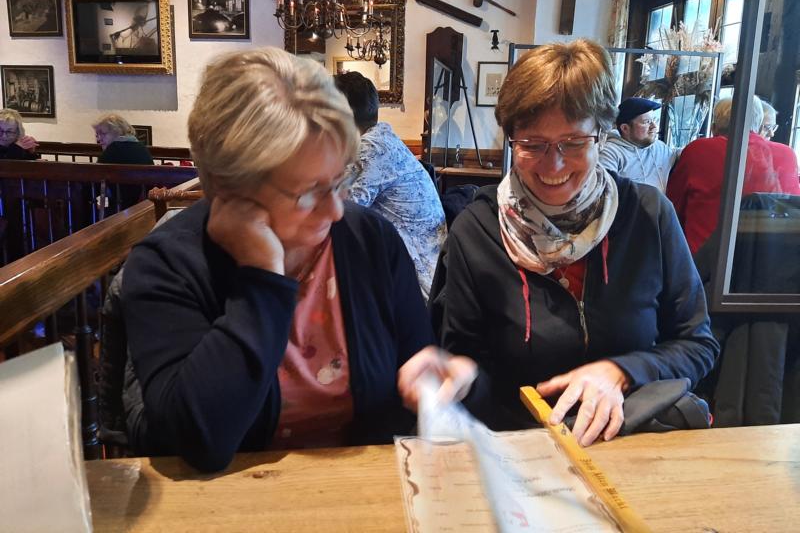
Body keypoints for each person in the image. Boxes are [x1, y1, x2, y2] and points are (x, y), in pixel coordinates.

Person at [120, 48, 471, 472]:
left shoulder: (370, 241)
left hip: (363, 490)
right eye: (309, 193)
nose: (336, 211)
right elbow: (198, 440)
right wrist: (263, 279)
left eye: (339, 180)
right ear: (229, 190)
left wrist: (438, 381)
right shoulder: (167, 265)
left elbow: (415, 377)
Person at [429, 40, 719, 446]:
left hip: (631, 443)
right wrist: (458, 377)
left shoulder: (648, 215)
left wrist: (621, 372)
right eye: (532, 144)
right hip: (519, 450)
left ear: (601, 135)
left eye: (574, 142)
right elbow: (464, 366)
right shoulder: (477, 229)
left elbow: (698, 344)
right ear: (512, 139)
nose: (554, 164)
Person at [333, 71, 446, 300]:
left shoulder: (371, 149)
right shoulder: (383, 140)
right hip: (426, 276)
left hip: (419, 287)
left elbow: (336, 214)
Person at [666, 97, 800, 254]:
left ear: (713, 128)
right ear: (759, 126)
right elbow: (792, 211)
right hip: (769, 258)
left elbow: (673, 208)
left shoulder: (697, 150)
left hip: (706, 260)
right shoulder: (787, 154)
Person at [598, 97, 679, 192]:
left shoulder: (660, 147)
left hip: (660, 202)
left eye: (654, 120)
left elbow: (681, 155)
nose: (654, 126)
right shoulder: (610, 153)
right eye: (647, 122)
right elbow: (604, 190)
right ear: (625, 128)